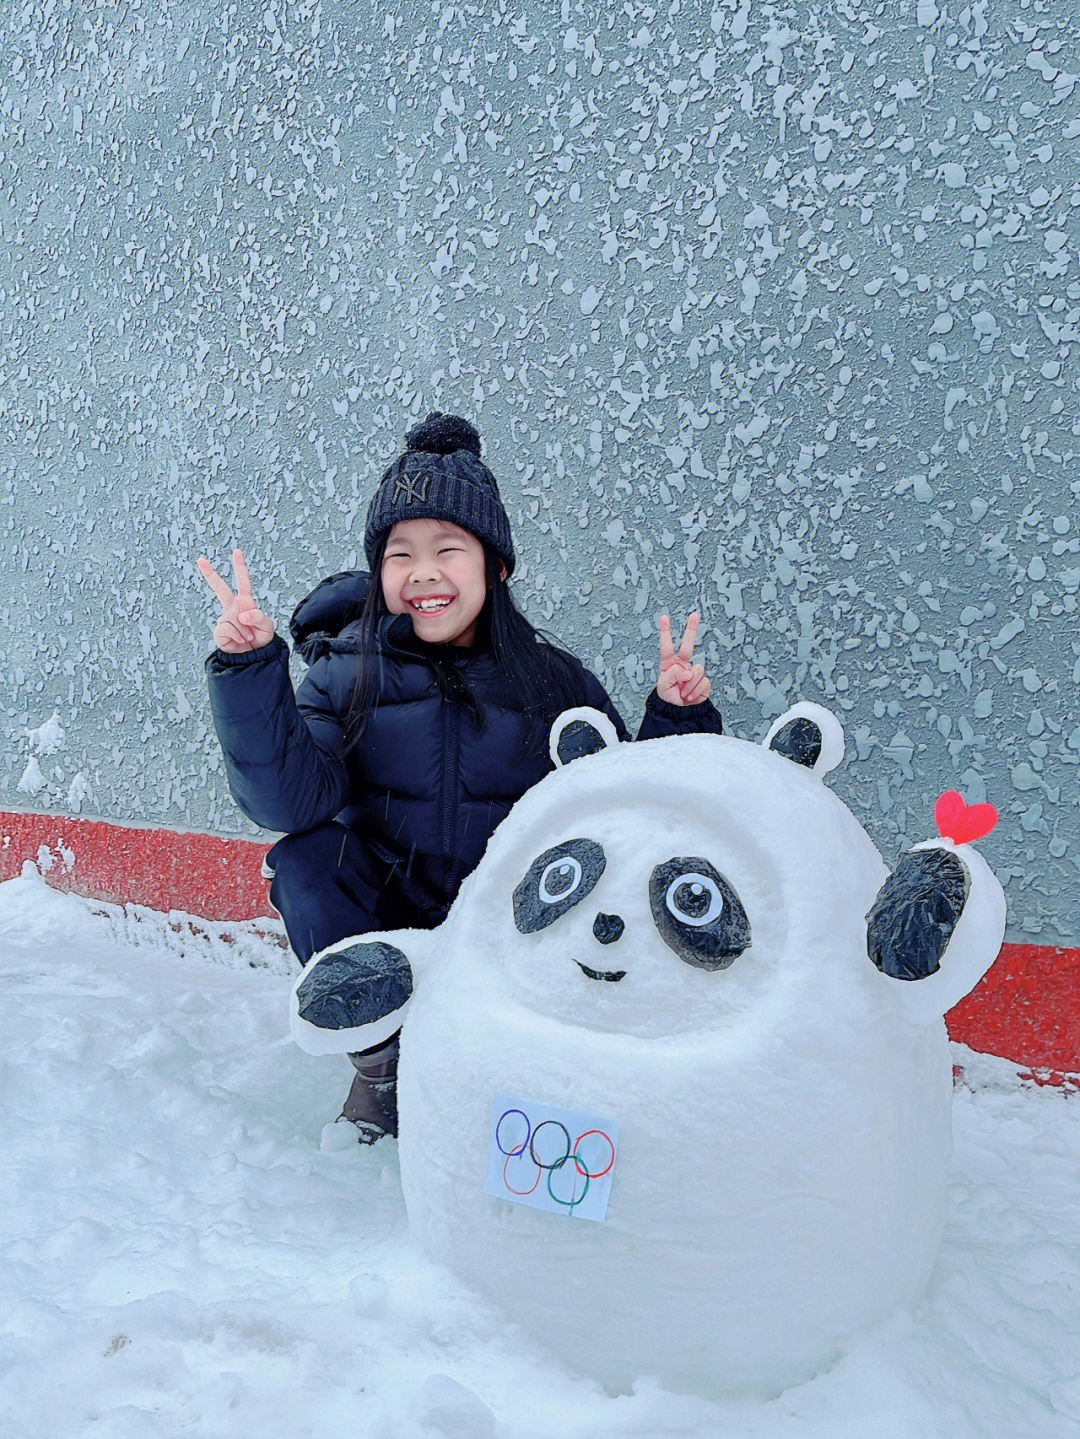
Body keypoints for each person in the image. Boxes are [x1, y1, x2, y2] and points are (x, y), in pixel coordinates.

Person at [197, 411, 722, 1142]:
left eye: (448, 548)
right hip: (392, 921)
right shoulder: (344, 674)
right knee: (306, 861)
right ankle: (382, 1066)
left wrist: (674, 716)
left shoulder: (552, 683)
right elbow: (287, 800)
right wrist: (253, 672)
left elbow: (625, 815)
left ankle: (515, 1061)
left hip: (507, 936)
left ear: (494, 565)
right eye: (400, 554)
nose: (424, 574)